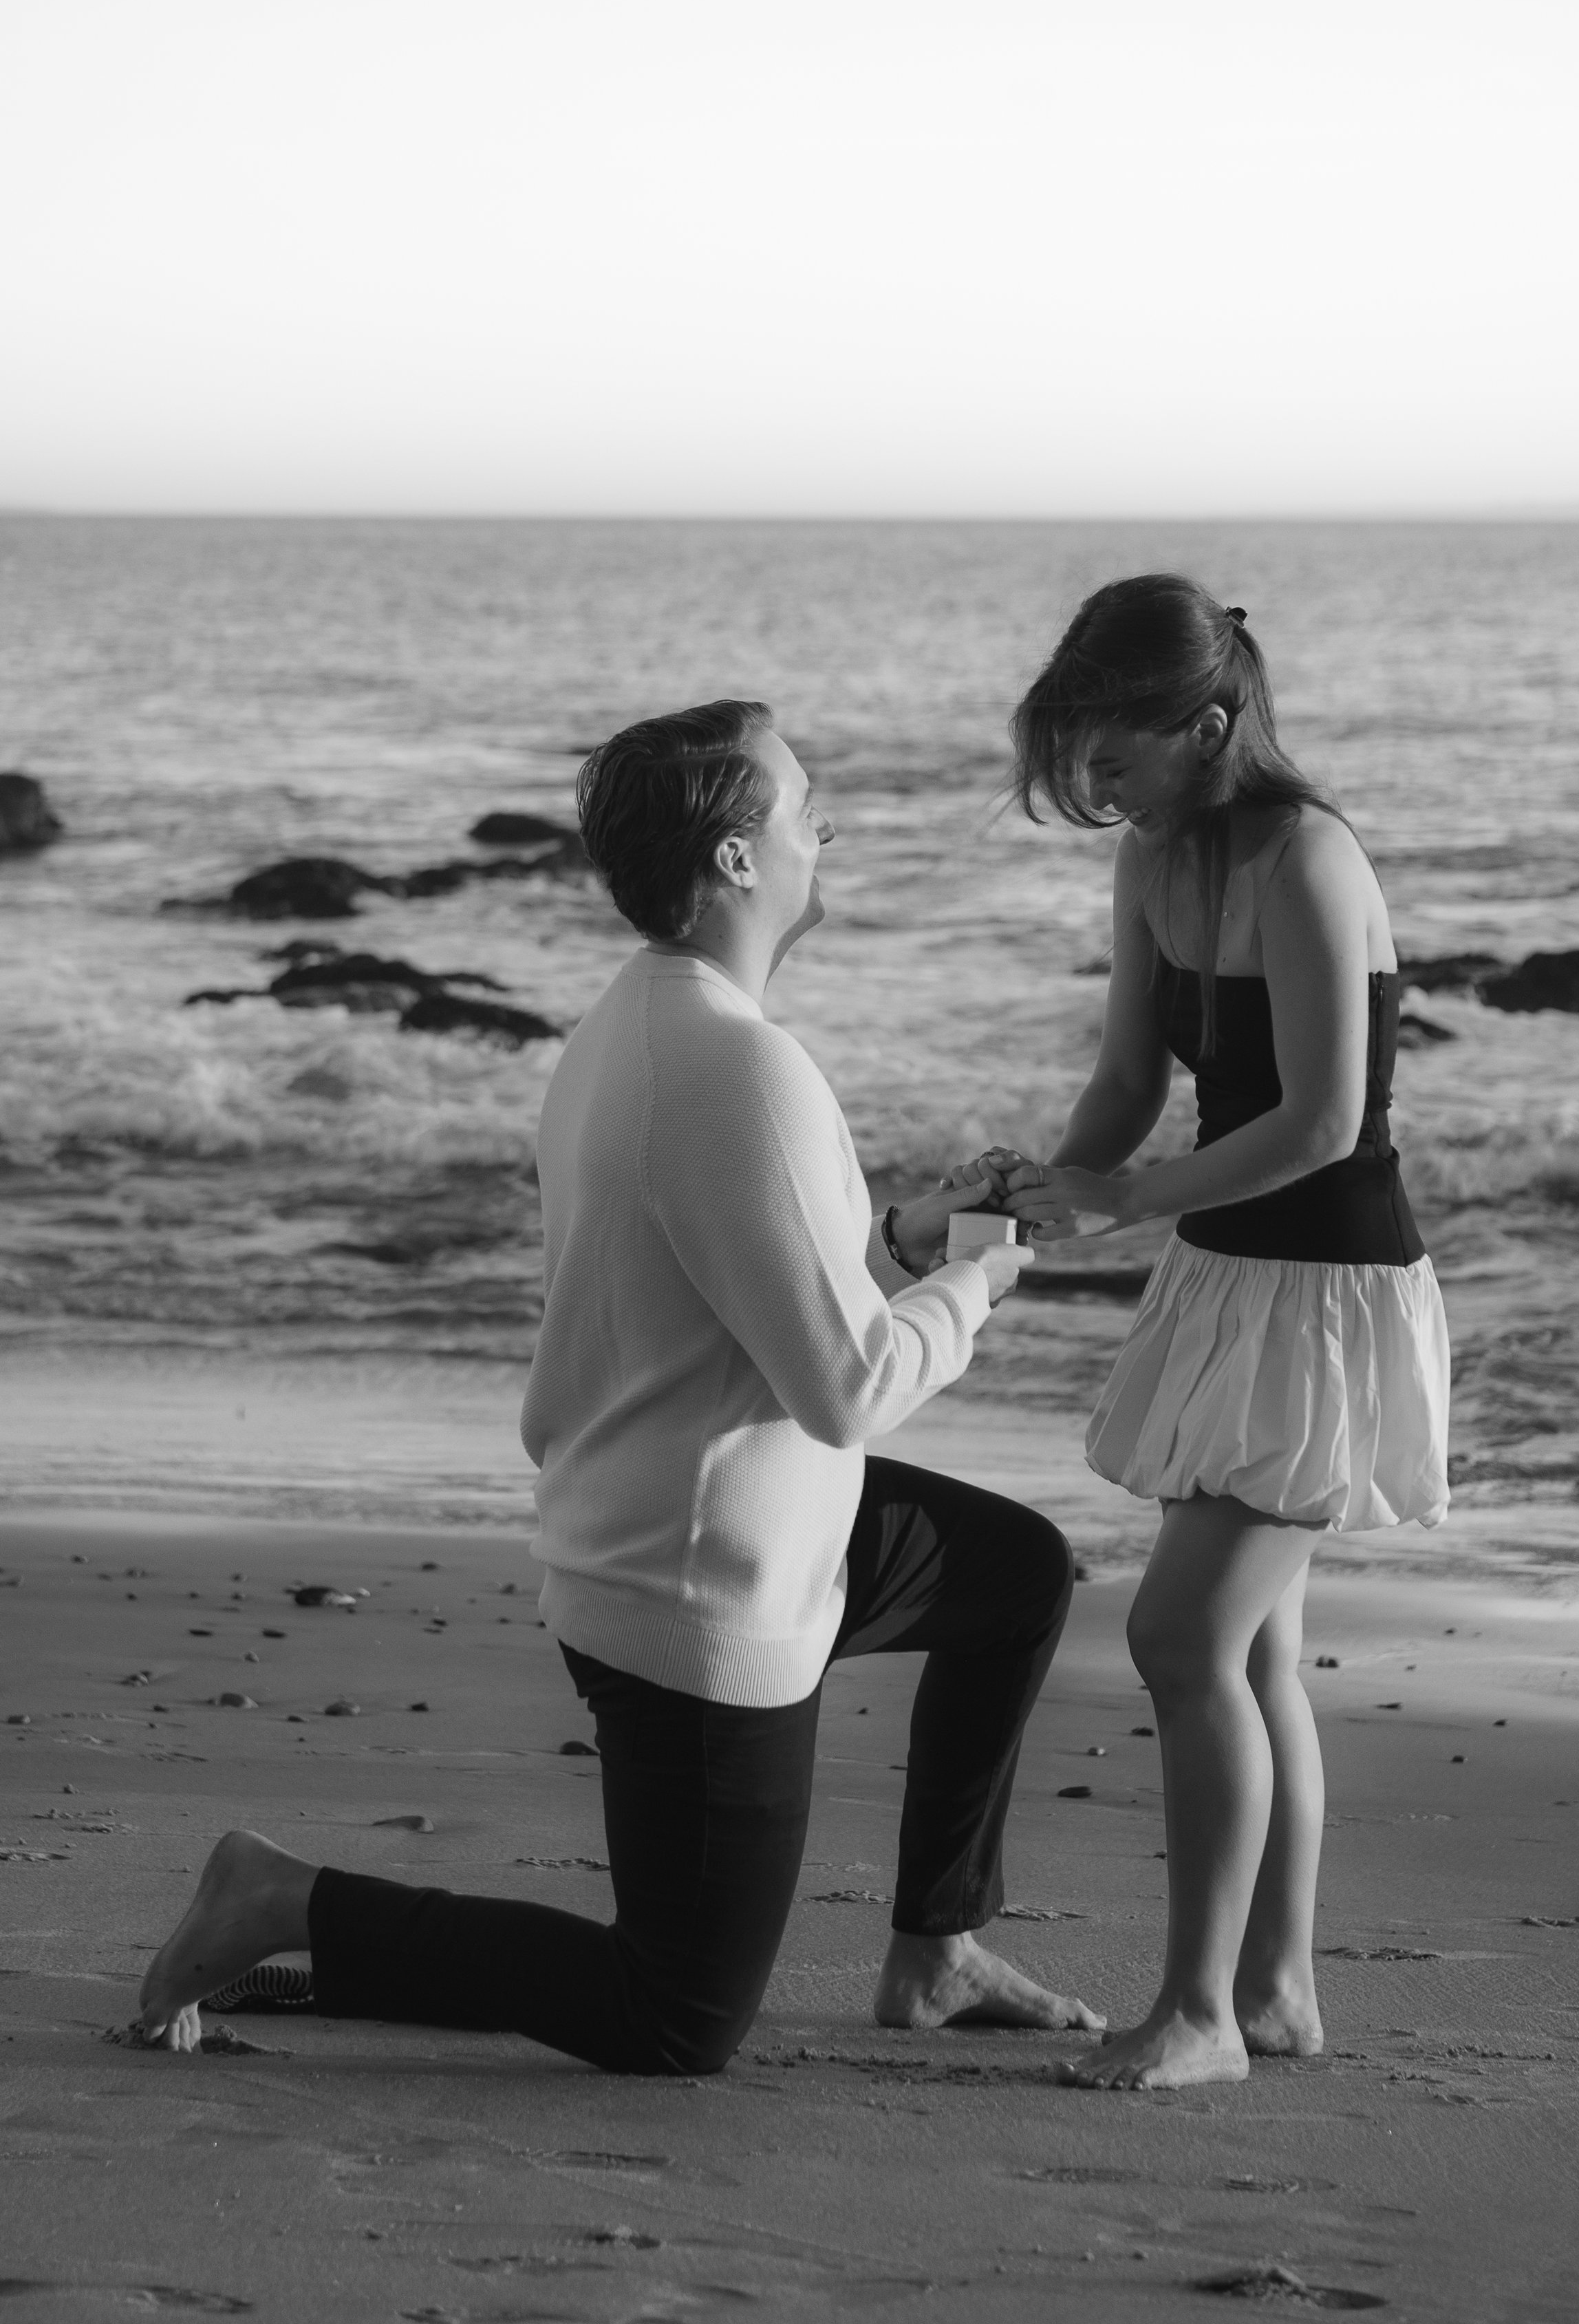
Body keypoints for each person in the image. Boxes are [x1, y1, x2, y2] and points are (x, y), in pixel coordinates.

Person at [138, 699, 1102, 2071]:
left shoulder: (642, 1025)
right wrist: (976, 1281)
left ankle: (938, 1945)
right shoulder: (732, 1064)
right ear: (732, 860)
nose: (823, 823)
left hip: (748, 1521)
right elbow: (840, 1385)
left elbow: (719, 1285)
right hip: (692, 1582)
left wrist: (897, 1239)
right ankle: (280, 1898)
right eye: (799, 802)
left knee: (1012, 1572)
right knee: (678, 2017)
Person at [955, 576, 1448, 2091]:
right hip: (1231, 1282)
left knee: (1181, 1637)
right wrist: (1049, 1184)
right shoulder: (1160, 863)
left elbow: (1317, 1121)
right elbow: (1123, 1086)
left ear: (1210, 723)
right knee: (1256, 1650)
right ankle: (1275, 1992)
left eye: (1114, 756)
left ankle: (1196, 2015)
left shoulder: (1308, 858)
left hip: (1326, 1295)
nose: (1095, 790)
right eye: (1077, 762)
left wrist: (1126, 1202)